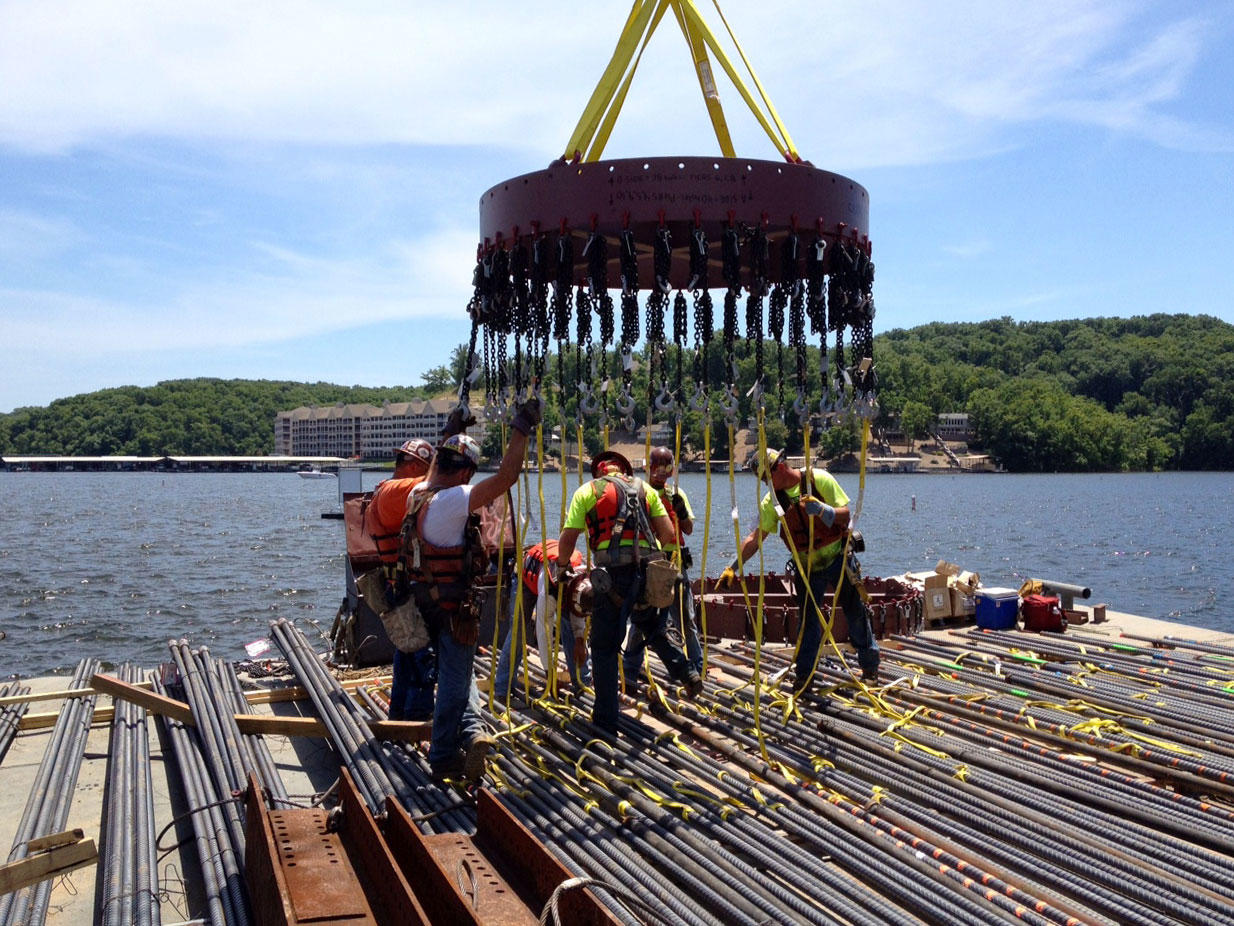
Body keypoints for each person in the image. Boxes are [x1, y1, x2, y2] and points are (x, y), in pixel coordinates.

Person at [403, 398, 539, 782]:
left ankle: (467, 731)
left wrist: (452, 432)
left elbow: (438, 467)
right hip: (451, 606)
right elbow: (507, 477)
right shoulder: (453, 500)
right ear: (465, 474)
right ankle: (444, 755)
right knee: (454, 681)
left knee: (456, 677)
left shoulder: (421, 493)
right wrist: (522, 427)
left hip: (424, 600)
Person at [555, 449, 702, 735]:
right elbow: (669, 535)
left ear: (599, 471)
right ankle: (687, 671)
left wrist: (562, 569)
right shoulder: (645, 489)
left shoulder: (589, 491)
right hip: (648, 573)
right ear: (624, 471)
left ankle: (606, 721)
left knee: (605, 647)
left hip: (611, 579)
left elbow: (568, 537)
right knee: (652, 626)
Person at [719, 448, 879, 689]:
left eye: (766, 478)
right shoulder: (771, 502)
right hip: (807, 568)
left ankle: (869, 669)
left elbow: (846, 516)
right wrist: (732, 567)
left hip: (838, 558)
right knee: (808, 624)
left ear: (780, 467)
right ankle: (805, 676)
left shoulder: (819, 479)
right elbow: (756, 537)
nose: (765, 485)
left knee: (855, 612)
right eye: (762, 481)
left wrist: (825, 511)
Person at [365, 439, 437, 721]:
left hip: (400, 585)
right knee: (421, 656)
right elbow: (432, 485)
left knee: (408, 652)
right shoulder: (396, 491)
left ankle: (399, 718)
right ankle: (418, 721)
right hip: (405, 588)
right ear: (415, 466)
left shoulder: (392, 491)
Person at [623, 447, 703, 684]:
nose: (661, 474)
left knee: (686, 618)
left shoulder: (676, 494)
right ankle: (630, 669)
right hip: (652, 563)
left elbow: (688, 529)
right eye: (657, 468)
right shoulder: (640, 493)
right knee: (643, 619)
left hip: (675, 562)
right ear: (649, 468)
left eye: (666, 468)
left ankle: (696, 667)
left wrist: (680, 511)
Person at [492, 539, 592, 702]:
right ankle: (502, 688)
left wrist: (580, 639)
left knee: (572, 634)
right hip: (527, 578)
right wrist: (549, 674)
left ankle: (582, 684)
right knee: (518, 630)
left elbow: (578, 615)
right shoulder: (550, 588)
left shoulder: (587, 579)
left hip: (565, 587)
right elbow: (543, 631)